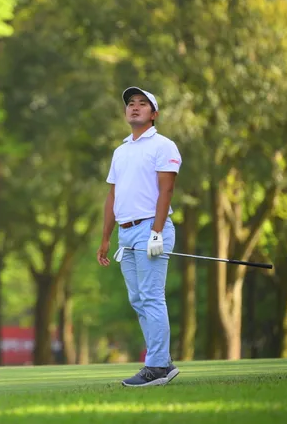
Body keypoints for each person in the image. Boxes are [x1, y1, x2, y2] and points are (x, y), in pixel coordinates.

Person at [96, 86, 182, 387]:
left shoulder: (163, 146)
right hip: (126, 232)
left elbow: (166, 191)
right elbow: (113, 196)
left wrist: (156, 232)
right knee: (138, 299)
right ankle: (163, 362)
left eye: (142, 104)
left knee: (151, 296)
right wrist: (105, 238)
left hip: (151, 228)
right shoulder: (120, 151)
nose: (134, 107)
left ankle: (156, 366)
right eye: (131, 103)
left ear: (153, 114)